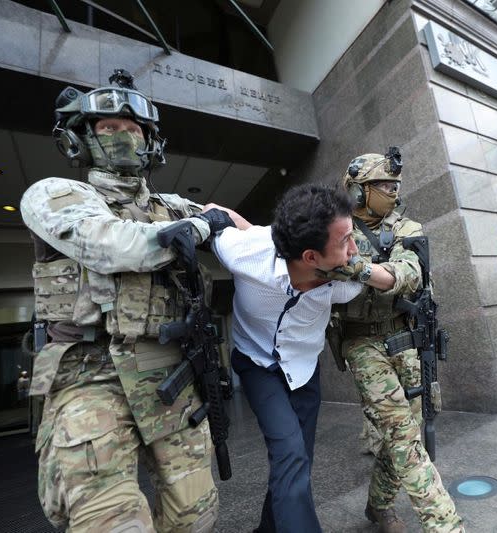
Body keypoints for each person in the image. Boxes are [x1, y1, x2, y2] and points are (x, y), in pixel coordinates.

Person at [20, 69, 239, 532]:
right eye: (109, 129)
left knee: (195, 516)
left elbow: (236, 226)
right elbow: (115, 245)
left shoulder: (172, 205)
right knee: (112, 522)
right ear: (83, 139)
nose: (123, 137)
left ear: (150, 141)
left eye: (133, 129)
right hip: (89, 377)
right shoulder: (54, 194)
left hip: (170, 374)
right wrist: (201, 227)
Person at [210, 183, 397, 533]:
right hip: (257, 365)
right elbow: (218, 216)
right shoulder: (245, 253)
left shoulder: (347, 282)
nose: (354, 250)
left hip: (304, 370)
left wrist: (361, 268)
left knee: (296, 461)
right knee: (291, 454)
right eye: (344, 242)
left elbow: (386, 280)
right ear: (310, 256)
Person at [332, 149, 464, 533]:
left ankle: (378, 506)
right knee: (402, 433)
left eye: (395, 185)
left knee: (407, 430)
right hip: (360, 342)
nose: (393, 191)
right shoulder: (334, 227)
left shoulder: (407, 228)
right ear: (358, 191)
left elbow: (409, 274)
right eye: (384, 185)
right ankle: (446, 525)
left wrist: (358, 266)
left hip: (404, 335)